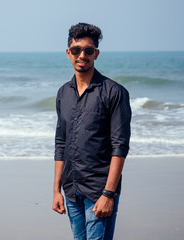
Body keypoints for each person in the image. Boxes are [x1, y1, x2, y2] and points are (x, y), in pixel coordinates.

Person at [52, 23, 131, 240]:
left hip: (99, 190)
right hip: (71, 189)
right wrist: (56, 190)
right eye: (76, 50)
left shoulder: (114, 92)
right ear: (68, 53)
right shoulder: (63, 93)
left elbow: (120, 147)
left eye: (88, 50)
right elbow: (61, 142)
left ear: (96, 53)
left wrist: (108, 194)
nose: (82, 55)